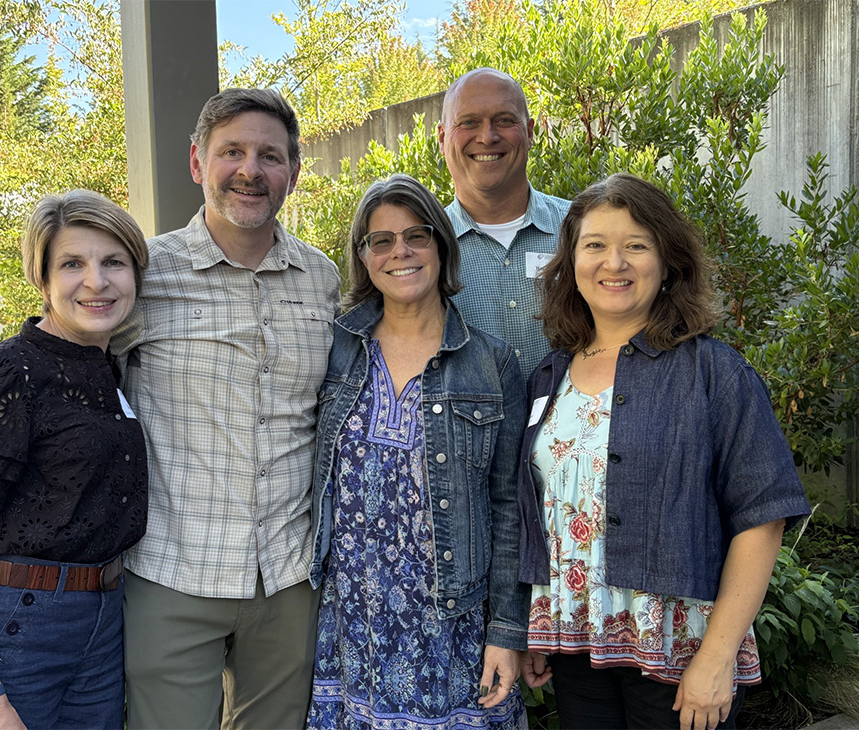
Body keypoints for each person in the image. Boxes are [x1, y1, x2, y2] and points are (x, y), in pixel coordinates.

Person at [518, 173, 812, 730]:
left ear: (667, 260)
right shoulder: (547, 377)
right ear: (570, 262)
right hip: (577, 649)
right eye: (596, 246)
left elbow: (762, 518)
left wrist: (717, 657)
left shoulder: (714, 372)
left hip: (682, 654)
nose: (615, 263)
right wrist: (536, 626)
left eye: (636, 245)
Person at [111, 88, 341, 730]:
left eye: (270, 155)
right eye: (231, 151)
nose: (251, 170)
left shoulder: (322, 279)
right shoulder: (145, 273)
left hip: (290, 577)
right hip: (173, 571)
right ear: (196, 162)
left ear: (293, 172)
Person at [306, 173, 529, 728]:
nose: (399, 252)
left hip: (454, 626)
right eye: (380, 240)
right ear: (363, 257)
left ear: (442, 246)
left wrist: (507, 631)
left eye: (416, 236)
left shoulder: (490, 363)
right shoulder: (332, 348)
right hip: (352, 621)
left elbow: (509, 508)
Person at [0, 189, 150, 729]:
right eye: (72, 263)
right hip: (16, 632)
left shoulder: (109, 368)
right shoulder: (5, 374)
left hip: (101, 627)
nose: (96, 281)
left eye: (113, 262)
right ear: (42, 279)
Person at [438, 67, 571, 376]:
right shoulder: (424, 251)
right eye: (469, 122)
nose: (487, 137)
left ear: (530, 131)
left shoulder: (582, 230)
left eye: (504, 120)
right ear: (443, 138)